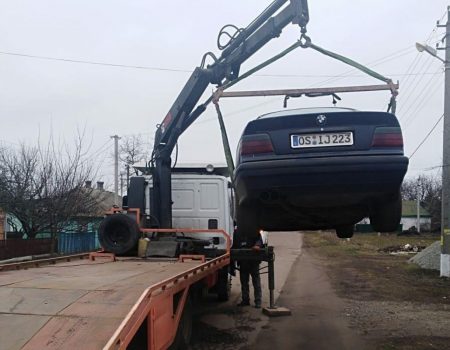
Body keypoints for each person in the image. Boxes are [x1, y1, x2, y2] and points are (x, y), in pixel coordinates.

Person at [236, 231, 264, 308]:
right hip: (243, 261)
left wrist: (257, 245)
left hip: (253, 260)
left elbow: (259, 240)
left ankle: (258, 301)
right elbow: (234, 244)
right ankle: (245, 300)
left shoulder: (254, 232)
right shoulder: (237, 233)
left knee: (256, 281)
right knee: (244, 282)